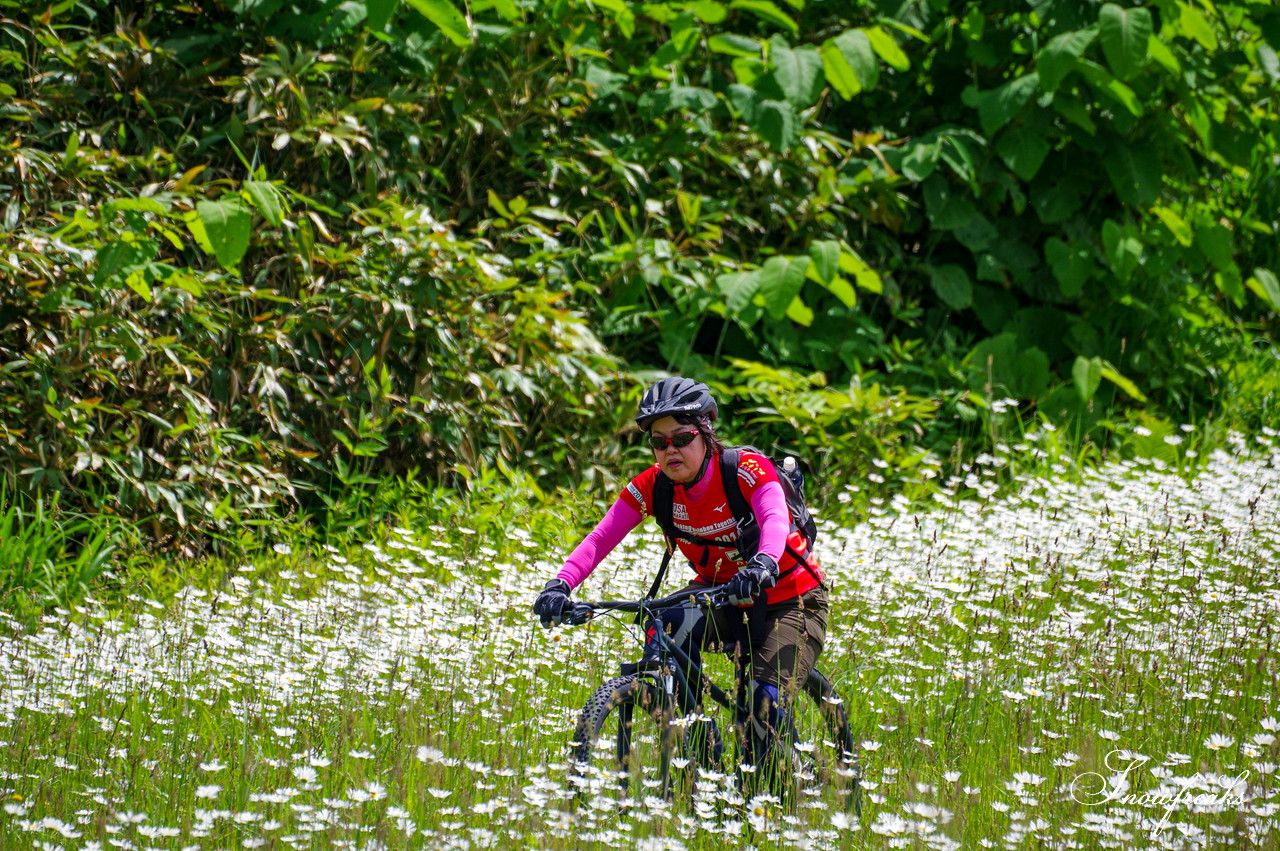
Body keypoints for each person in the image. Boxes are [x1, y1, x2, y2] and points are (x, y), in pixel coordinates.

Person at [533, 376, 828, 777]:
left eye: (682, 437)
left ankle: (782, 787)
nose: (670, 449)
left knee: (765, 700)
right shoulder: (653, 487)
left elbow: (775, 517)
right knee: (664, 627)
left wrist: (762, 564)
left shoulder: (745, 469)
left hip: (790, 599)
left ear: (706, 432)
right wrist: (560, 585)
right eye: (659, 442)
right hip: (721, 594)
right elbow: (601, 537)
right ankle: (704, 756)